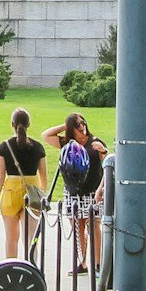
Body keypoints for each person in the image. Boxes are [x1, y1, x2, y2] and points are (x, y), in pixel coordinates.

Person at [44, 113, 107, 271]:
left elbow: (107, 163)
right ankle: (82, 261)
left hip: (93, 191)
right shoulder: (67, 143)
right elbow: (46, 135)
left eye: (83, 123)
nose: (82, 126)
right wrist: (65, 126)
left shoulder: (94, 142)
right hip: (73, 192)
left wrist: (104, 151)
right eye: (78, 124)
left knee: (94, 226)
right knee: (78, 227)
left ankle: (98, 263)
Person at [0, 108, 47, 259]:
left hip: (11, 192)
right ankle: (31, 267)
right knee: (30, 239)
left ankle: (11, 268)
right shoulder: (38, 147)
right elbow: (43, 175)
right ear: (29, 124)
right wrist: (42, 194)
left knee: (11, 238)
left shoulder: (4, 147)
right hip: (32, 192)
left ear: (12, 124)